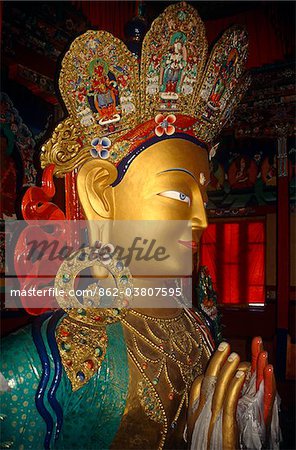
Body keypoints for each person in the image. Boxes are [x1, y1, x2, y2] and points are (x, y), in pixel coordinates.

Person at [1, 3, 280, 450]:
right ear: (100, 195)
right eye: (177, 194)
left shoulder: (199, 331)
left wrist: (247, 428)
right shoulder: (43, 370)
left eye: (204, 197)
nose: (202, 218)